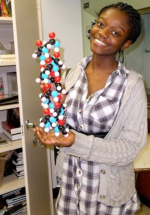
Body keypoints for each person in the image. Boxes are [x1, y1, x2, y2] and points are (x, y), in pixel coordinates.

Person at [33, 2, 147, 215]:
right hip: (69, 184)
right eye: (100, 24)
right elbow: (65, 125)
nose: (102, 33)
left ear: (126, 43)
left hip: (107, 193)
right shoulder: (71, 74)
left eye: (115, 32)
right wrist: (53, 120)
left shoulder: (132, 86)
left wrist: (76, 141)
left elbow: (130, 149)